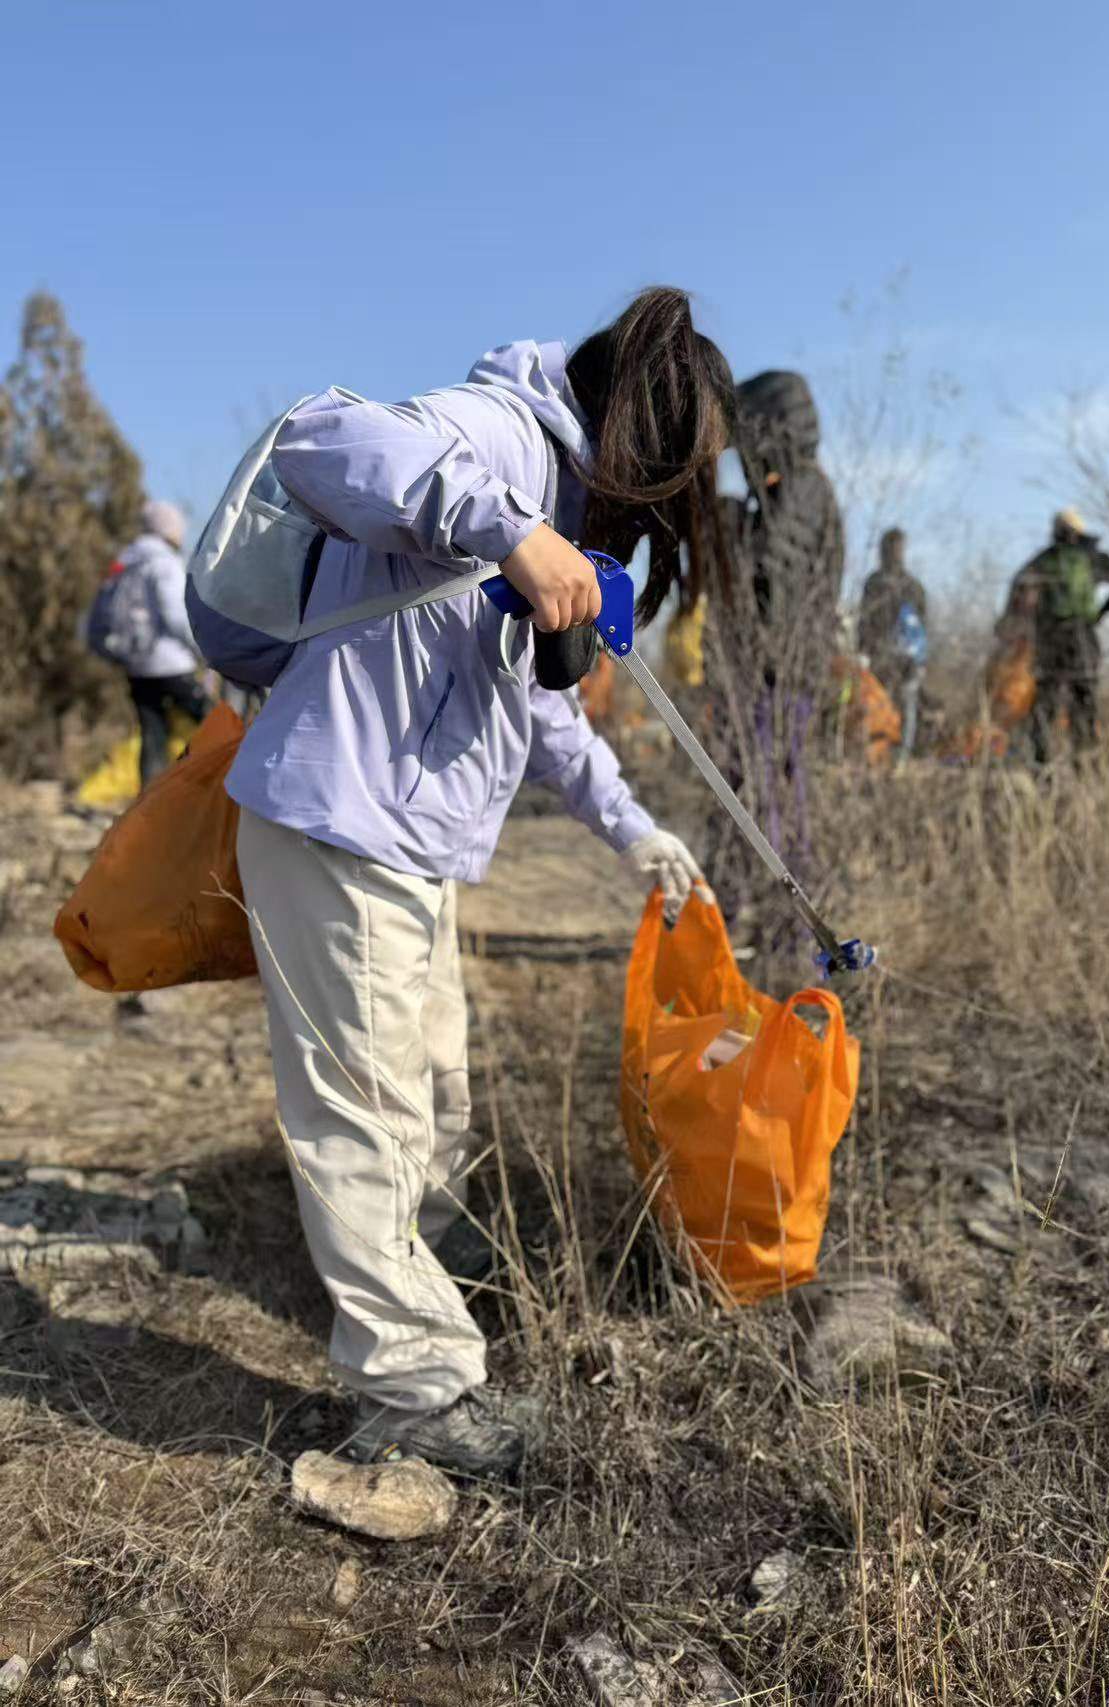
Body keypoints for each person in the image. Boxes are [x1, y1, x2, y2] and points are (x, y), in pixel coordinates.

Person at [224, 287, 734, 1479]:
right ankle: (412, 1388)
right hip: (338, 823)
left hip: (405, 848)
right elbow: (315, 438)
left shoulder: (555, 508)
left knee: (435, 1096)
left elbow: (546, 715)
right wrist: (505, 526)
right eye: (677, 463)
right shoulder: (498, 437)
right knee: (368, 1114)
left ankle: (418, 1277)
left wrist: (635, 832)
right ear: (633, 423)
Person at [705, 370, 844, 945]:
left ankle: (788, 925)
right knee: (753, 786)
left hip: (780, 676)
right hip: (770, 673)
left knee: (771, 792)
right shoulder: (790, 491)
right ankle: (738, 914)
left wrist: (730, 521)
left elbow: (772, 570)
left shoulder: (805, 490)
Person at [92, 501, 210, 785]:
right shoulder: (164, 562)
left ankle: (150, 803)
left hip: (136, 665)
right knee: (213, 722)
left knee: (152, 733)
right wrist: (205, 650)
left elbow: (97, 615)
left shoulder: (125, 563)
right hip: (170, 663)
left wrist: (111, 654)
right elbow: (176, 615)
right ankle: (216, 791)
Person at [1013, 508, 1109, 765]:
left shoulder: (1044, 559)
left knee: (1046, 698)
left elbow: (1018, 588)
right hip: (1083, 636)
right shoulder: (1093, 557)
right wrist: (1103, 611)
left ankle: (1041, 762)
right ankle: (1084, 760)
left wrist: (1020, 624)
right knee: (1084, 697)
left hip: (1049, 638)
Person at [858, 528, 928, 755]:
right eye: (889, 547)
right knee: (878, 704)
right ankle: (879, 752)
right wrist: (863, 650)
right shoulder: (873, 583)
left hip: (907, 658)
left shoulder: (913, 587)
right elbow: (865, 618)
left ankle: (902, 757)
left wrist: (920, 660)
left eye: (897, 547)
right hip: (879, 655)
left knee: (906, 702)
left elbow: (921, 626)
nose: (893, 552)